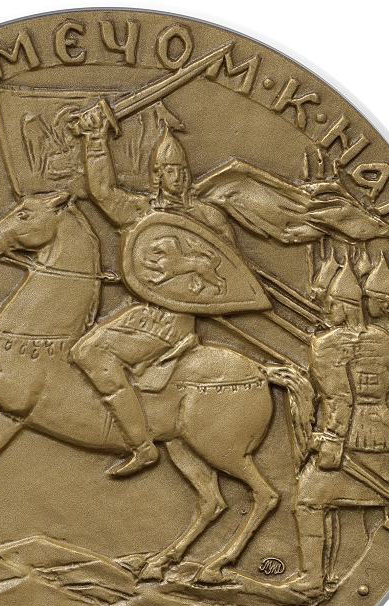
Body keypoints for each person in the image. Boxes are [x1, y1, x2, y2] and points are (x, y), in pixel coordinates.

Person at [71, 106, 251, 477]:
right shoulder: (142, 212)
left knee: (90, 352)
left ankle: (142, 447)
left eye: (182, 170)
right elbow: (103, 193)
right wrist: (95, 141)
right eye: (169, 170)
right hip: (145, 313)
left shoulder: (208, 217)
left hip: (175, 321)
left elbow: (230, 272)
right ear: (157, 175)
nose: (178, 177)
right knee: (82, 349)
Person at [290, 260, 389, 596]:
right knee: (375, 504)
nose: (327, 311)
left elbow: (339, 397)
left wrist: (331, 440)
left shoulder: (327, 344)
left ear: (344, 306)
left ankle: (313, 577)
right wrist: (383, 420)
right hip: (382, 437)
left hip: (346, 442)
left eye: (331, 305)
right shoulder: (384, 339)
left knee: (308, 500)